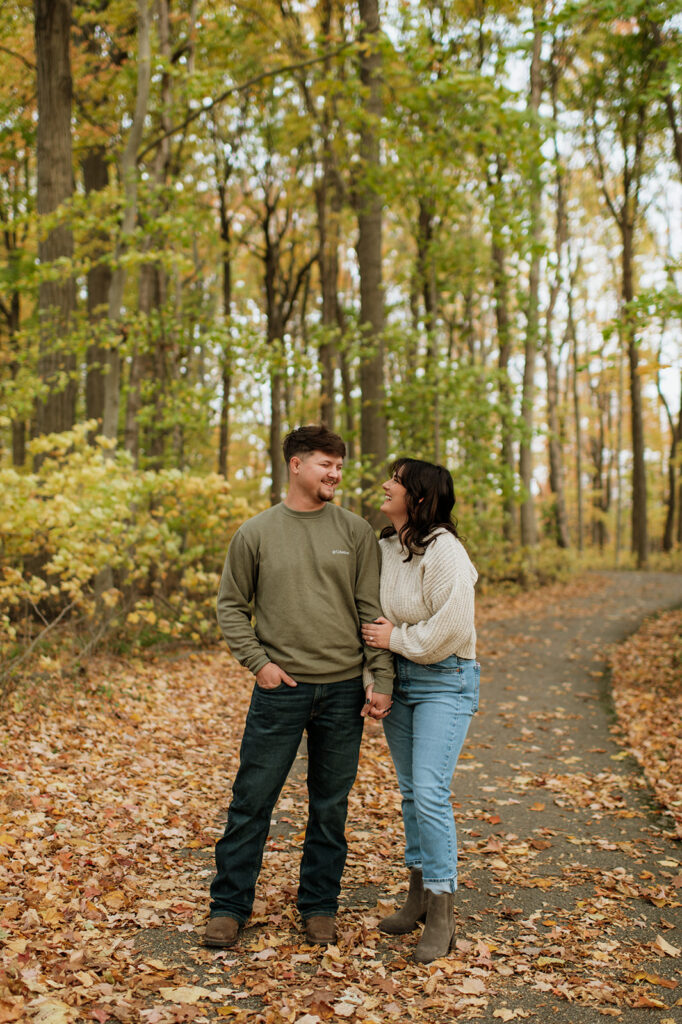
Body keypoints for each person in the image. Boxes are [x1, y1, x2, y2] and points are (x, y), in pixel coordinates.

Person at [205, 425, 394, 949]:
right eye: (324, 464)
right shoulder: (256, 532)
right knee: (252, 799)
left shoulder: (355, 531)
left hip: (342, 692)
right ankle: (228, 907)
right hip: (280, 689)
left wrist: (380, 676)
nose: (335, 473)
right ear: (295, 465)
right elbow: (230, 606)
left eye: (339, 465)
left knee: (330, 806)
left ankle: (318, 906)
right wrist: (258, 664)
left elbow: (370, 611)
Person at [361, 457, 479, 964]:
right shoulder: (386, 546)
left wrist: (397, 639)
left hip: (444, 680)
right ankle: (418, 898)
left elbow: (449, 630)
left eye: (397, 481)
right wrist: (378, 677)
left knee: (430, 791)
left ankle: (443, 909)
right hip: (401, 680)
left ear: (421, 497)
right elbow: (372, 621)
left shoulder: (445, 551)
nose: (386, 485)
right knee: (411, 793)